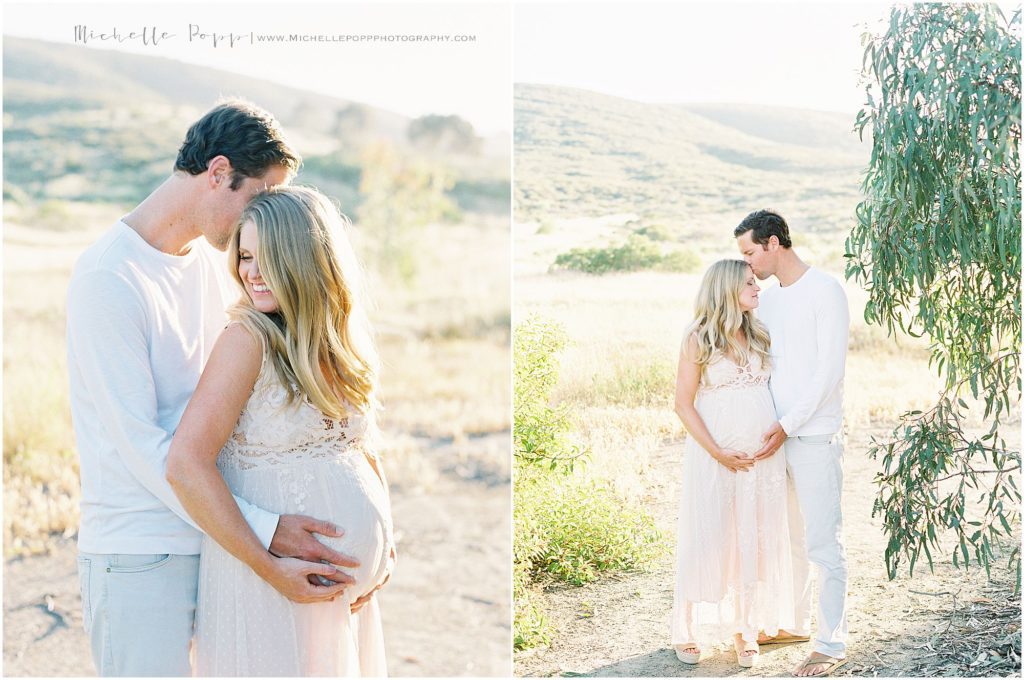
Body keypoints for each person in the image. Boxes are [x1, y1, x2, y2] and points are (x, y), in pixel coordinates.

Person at [67, 100, 360, 677]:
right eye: (261, 197)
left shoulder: (211, 264)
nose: (266, 220)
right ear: (220, 173)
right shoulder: (108, 276)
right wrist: (265, 529)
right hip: (142, 554)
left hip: (220, 542)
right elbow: (143, 445)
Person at [167, 185, 395, 676]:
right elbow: (186, 464)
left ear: (307, 259)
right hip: (269, 582)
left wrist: (386, 541)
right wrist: (270, 568)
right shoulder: (247, 339)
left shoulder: (336, 341)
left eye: (267, 257)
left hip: (334, 598)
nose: (251, 271)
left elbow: (360, 447)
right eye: (245, 255)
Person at [735, 209, 850, 678]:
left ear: (773, 243)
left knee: (824, 541)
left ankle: (830, 642)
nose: (746, 264)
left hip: (813, 433)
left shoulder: (825, 291)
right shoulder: (769, 300)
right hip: (774, 435)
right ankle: (795, 624)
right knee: (789, 538)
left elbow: (828, 373)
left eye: (749, 252)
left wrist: (788, 423)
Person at [670, 258, 797, 669]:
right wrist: (717, 452)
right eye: (749, 283)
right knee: (709, 535)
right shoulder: (698, 337)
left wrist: (780, 432)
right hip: (716, 458)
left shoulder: (757, 332)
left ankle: (745, 628)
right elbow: (683, 405)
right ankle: (686, 629)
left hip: (762, 461)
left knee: (752, 538)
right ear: (727, 289)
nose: (757, 287)